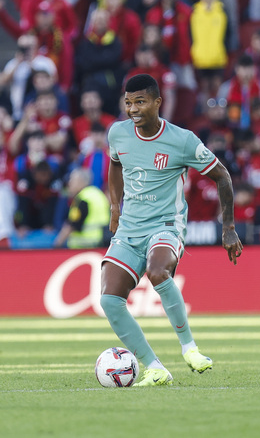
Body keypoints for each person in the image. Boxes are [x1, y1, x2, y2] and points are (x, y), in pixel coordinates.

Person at [101, 74, 242, 387]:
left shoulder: (182, 140)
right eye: (128, 103)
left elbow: (223, 177)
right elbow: (115, 165)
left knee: (158, 272)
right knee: (110, 300)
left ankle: (189, 348)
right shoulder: (118, 133)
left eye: (140, 102)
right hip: (129, 228)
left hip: (166, 224)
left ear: (157, 103)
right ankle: (154, 367)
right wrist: (114, 207)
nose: (133, 109)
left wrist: (228, 227)